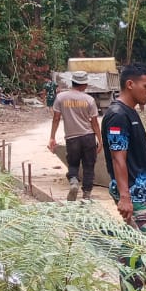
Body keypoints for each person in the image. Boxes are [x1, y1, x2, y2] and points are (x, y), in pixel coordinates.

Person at [103, 64, 146, 236]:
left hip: (140, 193)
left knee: (138, 243)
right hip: (133, 194)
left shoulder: (130, 112)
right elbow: (117, 158)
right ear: (130, 84)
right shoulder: (118, 115)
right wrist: (125, 197)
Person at [48, 71, 102, 201]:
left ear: (72, 82)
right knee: (89, 165)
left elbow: (56, 118)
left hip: (72, 138)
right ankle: (87, 195)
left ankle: (73, 181)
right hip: (88, 137)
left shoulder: (61, 97)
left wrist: (52, 137)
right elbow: (94, 122)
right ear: (84, 84)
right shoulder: (89, 100)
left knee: (73, 164)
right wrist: (100, 140)